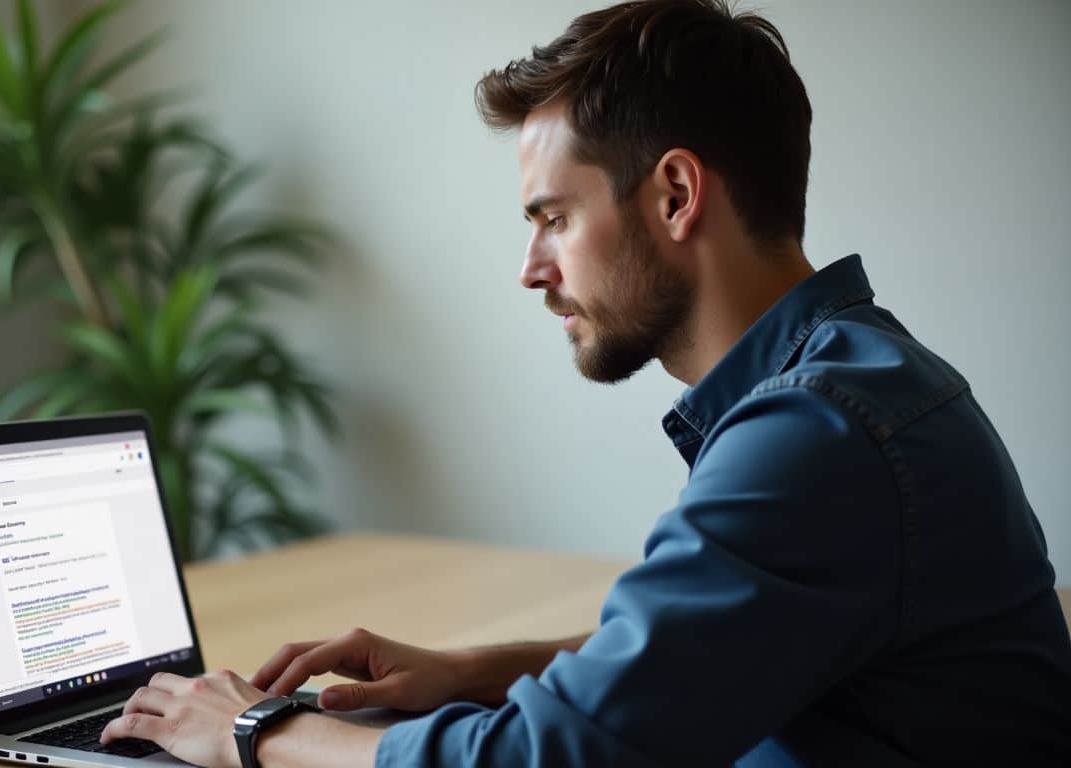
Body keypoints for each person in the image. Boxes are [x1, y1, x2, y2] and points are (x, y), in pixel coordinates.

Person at [98, 0, 1071, 765]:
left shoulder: (814, 435)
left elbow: (550, 757)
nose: (531, 267)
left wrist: (249, 733)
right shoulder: (855, 382)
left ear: (677, 196)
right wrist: (472, 672)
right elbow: (702, 665)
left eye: (553, 217)